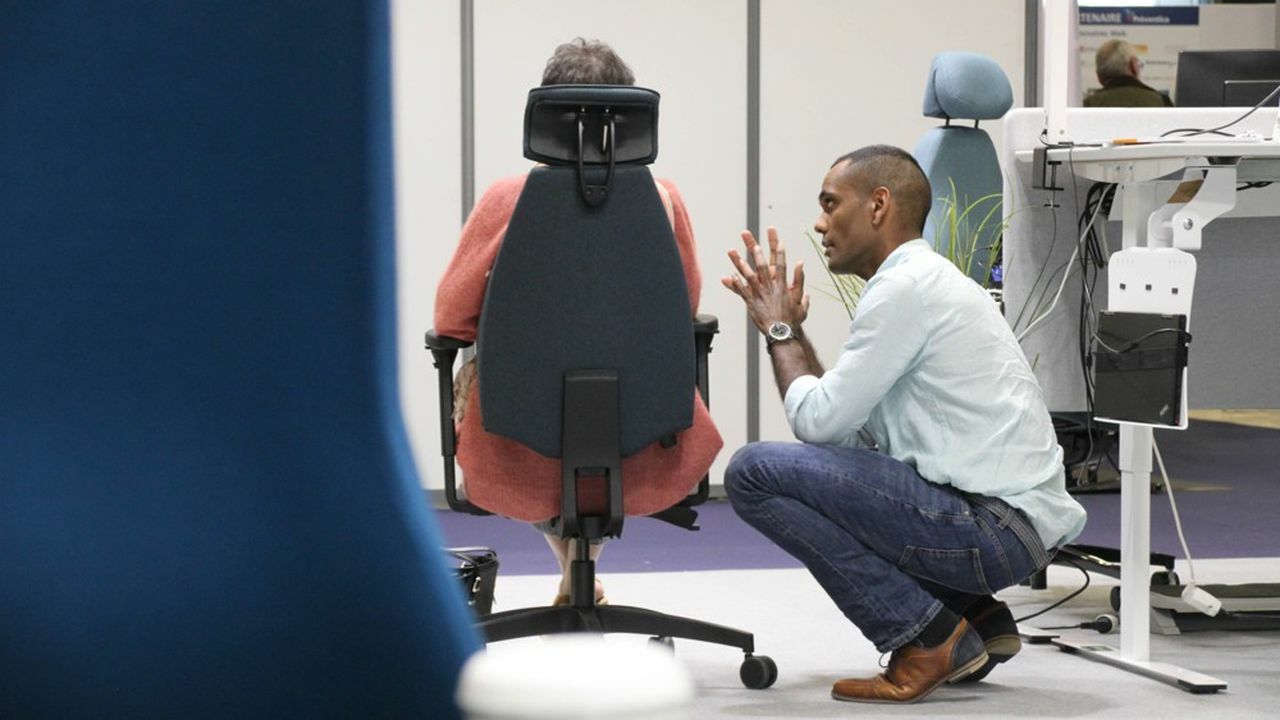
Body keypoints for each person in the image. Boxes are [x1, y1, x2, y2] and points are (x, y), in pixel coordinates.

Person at [720, 145, 1086, 704]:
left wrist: (779, 331)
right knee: (809, 475)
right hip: (1010, 527)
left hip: (991, 528)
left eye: (830, 203)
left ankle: (926, 638)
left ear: (878, 205)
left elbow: (815, 423)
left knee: (752, 473)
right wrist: (791, 330)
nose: (819, 223)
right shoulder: (922, 281)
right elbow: (841, 435)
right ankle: (974, 616)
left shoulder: (903, 289)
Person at [434, 38, 721, 606]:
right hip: (641, 421)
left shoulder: (508, 199)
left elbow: (451, 318)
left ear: (546, 115)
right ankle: (580, 572)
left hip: (521, 426)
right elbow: (684, 306)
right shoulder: (662, 199)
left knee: (509, 377)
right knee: (602, 385)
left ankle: (574, 575)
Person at [1085, 39, 1172, 108]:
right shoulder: (1160, 102)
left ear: (1098, 76)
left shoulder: (1088, 104)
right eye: (1138, 64)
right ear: (1133, 65)